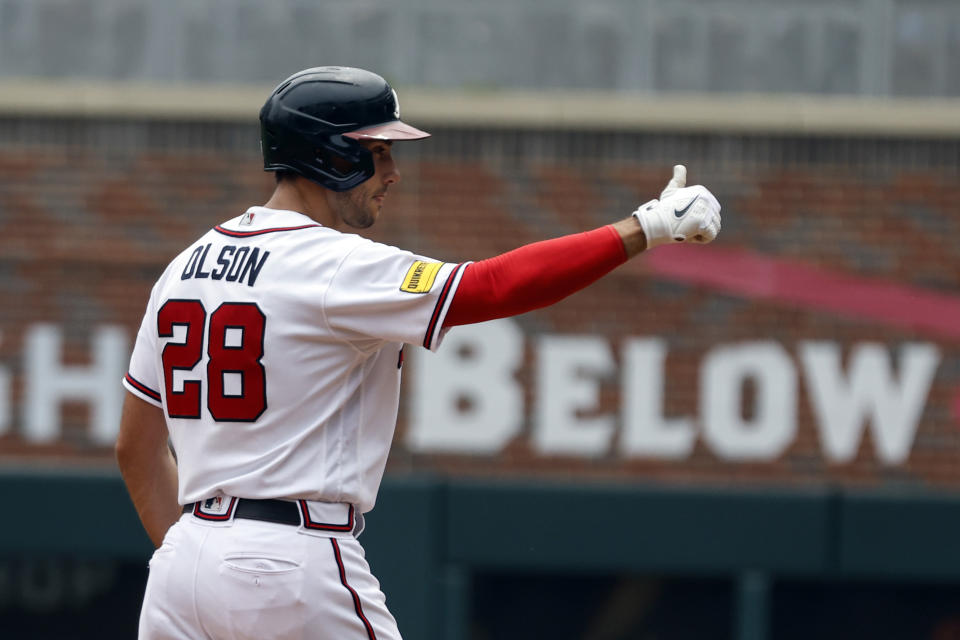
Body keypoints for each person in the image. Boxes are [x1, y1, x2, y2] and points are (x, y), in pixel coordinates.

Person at [115, 66, 721, 640]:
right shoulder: (332, 264)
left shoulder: (183, 267)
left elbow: (136, 449)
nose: (392, 172)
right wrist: (646, 227)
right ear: (330, 154)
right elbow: (490, 286)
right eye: (377, 152)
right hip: (291, 559)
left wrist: (204, 562)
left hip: (182, 567)